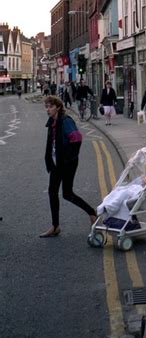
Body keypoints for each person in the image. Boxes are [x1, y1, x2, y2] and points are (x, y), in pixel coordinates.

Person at [40, 95, 97, 237]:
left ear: (58, 107)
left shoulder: (65, 121)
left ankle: (91, 212)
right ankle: (55, 226)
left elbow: (77, 139)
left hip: (66, 163)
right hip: (55, 163)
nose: (48, 109)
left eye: (50, 106)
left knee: (67, 193)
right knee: (52, 192)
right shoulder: (52, 122)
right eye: (46, 107)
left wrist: (68, 158)